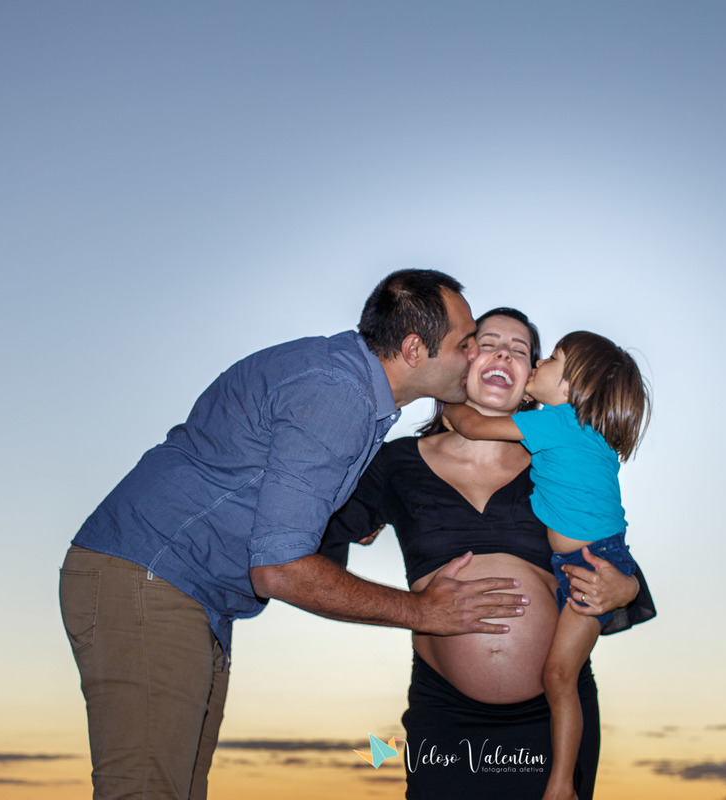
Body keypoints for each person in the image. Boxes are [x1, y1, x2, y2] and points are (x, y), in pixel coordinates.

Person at [59, 270, 534, 800]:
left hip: (183, 593)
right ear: (414, 348)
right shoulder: (338, 396)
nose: (476, 356)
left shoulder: (347, 386)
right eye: (465, 343)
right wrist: (425, 612)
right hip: (151, 577)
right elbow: (279, 568)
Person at [322, 310, 656, 799]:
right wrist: (408, 608)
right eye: (488, 341)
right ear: (462, 360)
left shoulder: (558, 462)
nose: (504, 353)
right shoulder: (396, 464)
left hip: (554, 717)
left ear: (530, 383)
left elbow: (607, 554)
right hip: (445, 717)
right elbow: (313, 552)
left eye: (521, 350)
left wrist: (625, 588)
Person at [443, 330, 651, 800]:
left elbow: (474, 427)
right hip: (592, 559)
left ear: (573, 390)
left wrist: (449, 402)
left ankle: (560, 785)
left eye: (553, 358)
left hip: (591, 565)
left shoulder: (560, 423)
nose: (538, 360)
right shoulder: (582, 434)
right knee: (561, 676)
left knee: (559, 676)